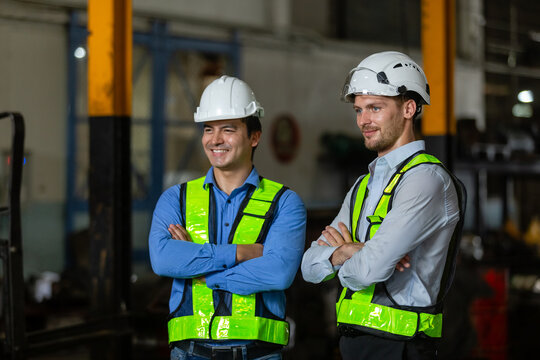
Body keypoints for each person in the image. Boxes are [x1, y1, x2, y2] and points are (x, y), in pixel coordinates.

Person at [301, 51, 466, 359]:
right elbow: (309, 266)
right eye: (359, 110)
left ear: (409, 108)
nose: (364, 120)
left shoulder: (425, 181)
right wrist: (346, 251)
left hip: (402, 348)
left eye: (375, 108)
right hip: (355, 344)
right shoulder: (363, 185)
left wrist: (340, 260)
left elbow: (367, 272)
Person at [149, 75, 306, 360]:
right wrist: (242, 253)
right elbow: (162, 260)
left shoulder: (284, 203)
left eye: (228, 129)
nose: (215, 140)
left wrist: (196, 268)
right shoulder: (176, 199)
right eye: (208, 129)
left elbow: (278, 273)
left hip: (258, 354)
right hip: (189, 353)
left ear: (254, 136)